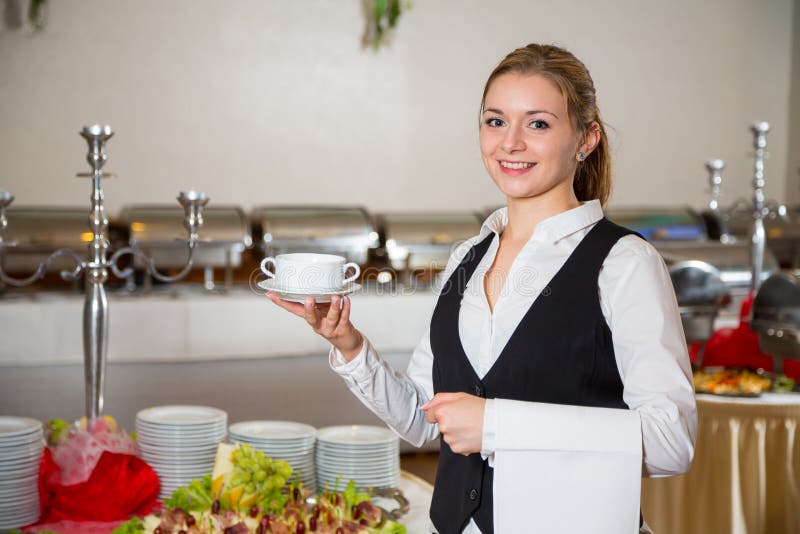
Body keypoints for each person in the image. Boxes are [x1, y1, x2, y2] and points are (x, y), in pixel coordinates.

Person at [268, 43, 697, 534]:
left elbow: (671, 444)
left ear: (586, 139)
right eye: (496, 121)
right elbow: (426, 420)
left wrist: (496, 426)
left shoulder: (625, 263)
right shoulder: (468, 257)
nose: (510, 143)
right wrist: (348, 345)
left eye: (537, 124)